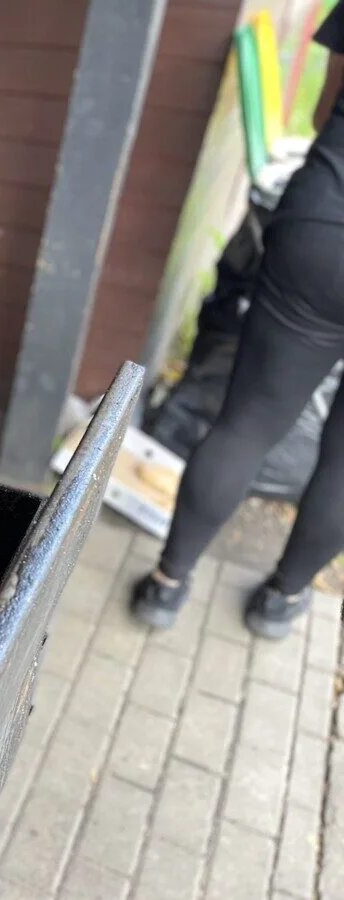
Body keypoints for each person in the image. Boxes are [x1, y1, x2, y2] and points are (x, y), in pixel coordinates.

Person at [131, 6, 344, 640]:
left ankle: (167, 587)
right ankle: (282, 600)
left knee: (246, 424)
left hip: (324, 229)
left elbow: (321, 111)